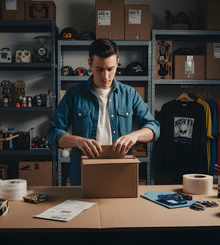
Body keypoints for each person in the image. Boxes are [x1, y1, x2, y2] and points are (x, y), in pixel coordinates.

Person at [47, 38, 160, 186]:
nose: (105, 77)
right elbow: (53, 133)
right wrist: (78, 141)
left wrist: (135, 135)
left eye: (110, 69)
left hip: (120, 174)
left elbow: (154, 127)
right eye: (99, 69)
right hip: (83, 174)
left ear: (117, 62)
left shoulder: (129, 94)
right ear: (90, 64)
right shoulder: (73, 94)